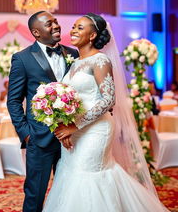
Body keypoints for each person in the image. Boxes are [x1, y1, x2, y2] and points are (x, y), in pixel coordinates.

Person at [43, 13, 168, 211]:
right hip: (74, 131)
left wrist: (75, 126)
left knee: (89, 174)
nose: (73, 30)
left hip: (96, 130)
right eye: (74, 26)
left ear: (92, 36)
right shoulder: (74, 63)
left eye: (80, 27)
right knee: (71, 173)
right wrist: (64, 125)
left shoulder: (100, 60)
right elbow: (67, 100)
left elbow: (108, 100)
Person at [7, 11, 79, 212]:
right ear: (36, 32)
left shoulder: (73, 54)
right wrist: (26, 133)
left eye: (56, 21)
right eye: (50, 24)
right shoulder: (22, 59)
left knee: (68, 192)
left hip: (72, 138)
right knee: (35, 193)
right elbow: (13, 101)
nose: (56, 26)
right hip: (39, 139)